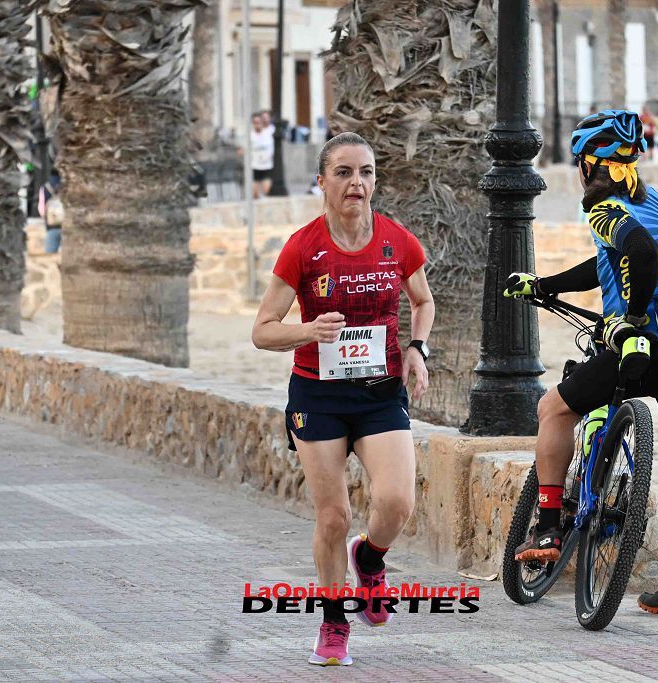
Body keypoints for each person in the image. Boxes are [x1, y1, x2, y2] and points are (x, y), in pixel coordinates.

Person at [504, 109, 658, 620]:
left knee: (554, 409)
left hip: (647, 345)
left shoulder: (606, 207)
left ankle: (551, 524)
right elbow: (612, 263)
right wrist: (547, 284)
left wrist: (633, 321)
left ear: (587, 164)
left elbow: (637, 252)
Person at [252, 132, 435, 666]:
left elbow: (422, 300)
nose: (358, 183)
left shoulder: (397, 241)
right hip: (319, 395)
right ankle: (334, 624)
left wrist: (417, 350)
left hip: (379, 392)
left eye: (367, 172)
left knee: (397, 502)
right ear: (322, 181)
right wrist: (308, 330)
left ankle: (370, 558)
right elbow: (263, 331)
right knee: (333, 515)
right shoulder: (304, 247)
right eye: (345, 173)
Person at [250, 113, 274, 198]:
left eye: (259, 122)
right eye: (255, 122)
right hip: (255, 165)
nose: (257, 124)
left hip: (266, 165)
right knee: (254, 193)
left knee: (267, 190)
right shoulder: (250, 135)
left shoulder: (268, 133)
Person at [40, 170, 62, 253]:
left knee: (50, 255)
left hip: (51, 225)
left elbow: (41, 209)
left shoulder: (45, 187)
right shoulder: (67, 185)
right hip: (66, 226)